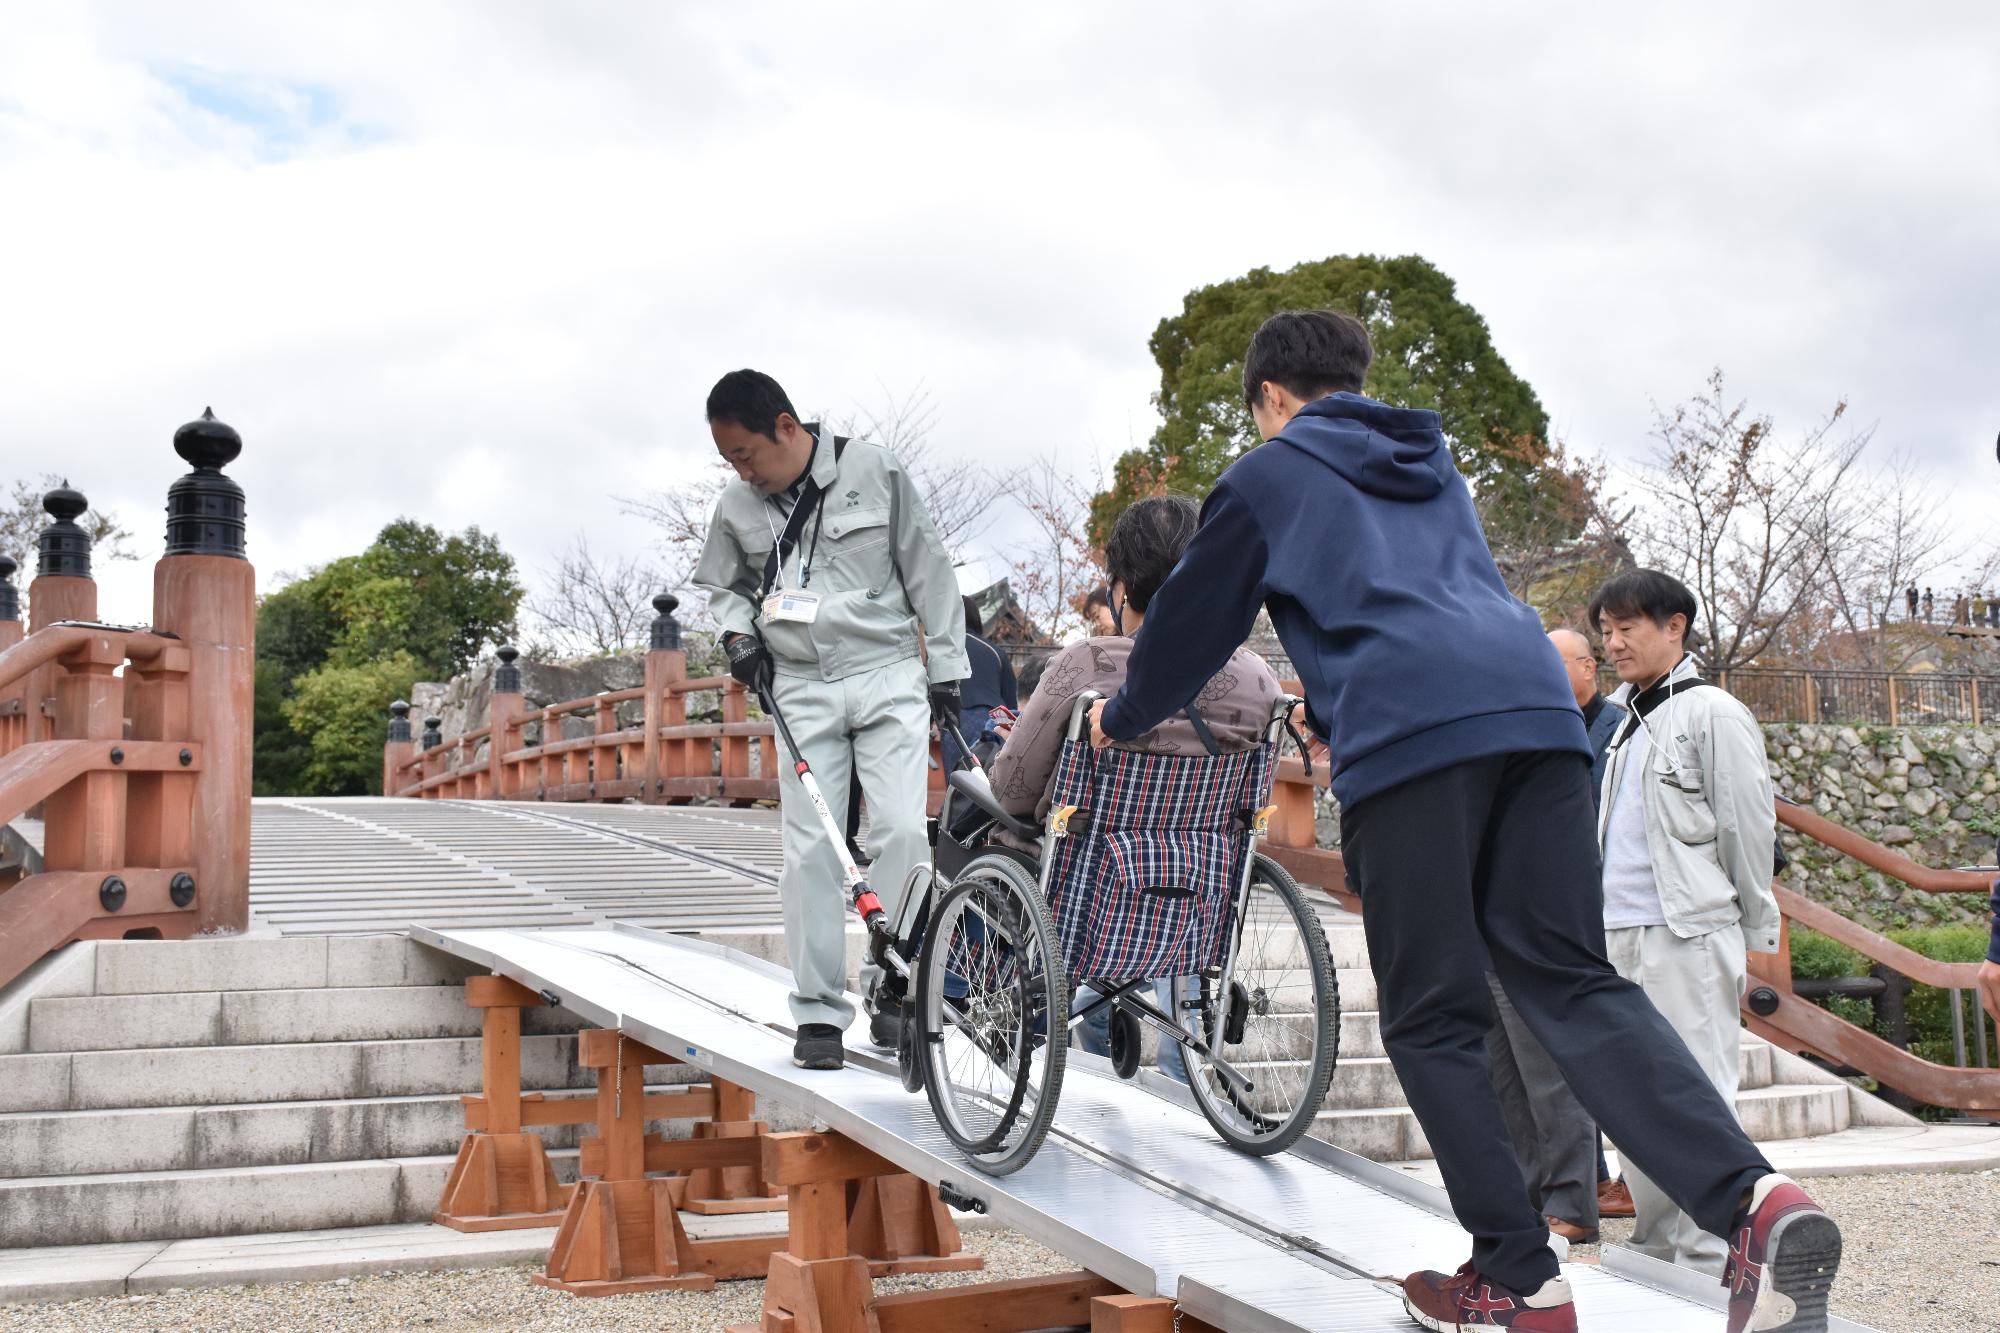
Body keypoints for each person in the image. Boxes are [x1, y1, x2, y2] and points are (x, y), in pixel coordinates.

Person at [1087, 309, 1841, 1333]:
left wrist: (1118, 716)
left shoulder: (1264, 476)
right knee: (1570, 981)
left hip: (1411, 730)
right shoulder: (1427, 458)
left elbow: (1187, 625)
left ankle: (1517, 1274)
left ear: (1268, 398)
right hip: (1537, 713)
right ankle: (1753, 1202)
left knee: (1432, 1015)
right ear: (1353, 380)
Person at [693, 369, 966, 1070]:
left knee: (904, 831)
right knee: (812, 849)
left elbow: (930, 570)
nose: (741, 471)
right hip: (802, 684)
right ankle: (817, 1012)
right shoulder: (736, 504)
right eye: (729, 460)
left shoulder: (877, 471)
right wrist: (736, 638)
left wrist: (947, 671)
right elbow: (723, 588)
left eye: (746, 454)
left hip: (886, 676)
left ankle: (897, 986)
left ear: (787, 426)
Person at [987, 496, 1280, 1084]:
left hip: (1089, 895)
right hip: (1197, 889)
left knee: (981, 819)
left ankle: (959, 998)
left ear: (1121, 591)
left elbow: (1014, 792)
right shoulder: (1256, 676)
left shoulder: (1086, 664)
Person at [1592, 570, 1782, 1278]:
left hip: (1690, 932)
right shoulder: (1623, 724)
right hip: (1621, 932)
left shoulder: (1715, 713)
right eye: (1606, 630)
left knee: (1699, 1091)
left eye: (1627, 627)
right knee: (1630, 1093)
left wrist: (1752, 934)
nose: (1613, 642)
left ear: (1676, 626)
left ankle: (1708, 1250)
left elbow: (1746, 831)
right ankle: (1657, 1241)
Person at [944, 594, 1017, 767]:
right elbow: (1011, 703)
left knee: (960, 786)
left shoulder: (945, 649)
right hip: (996, 721)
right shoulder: (996, 651)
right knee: (991, 785)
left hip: (958, 720)